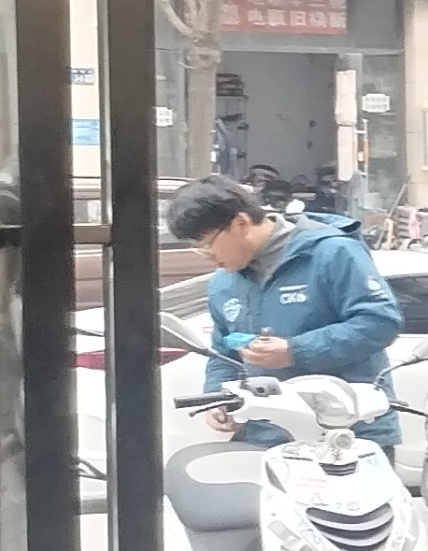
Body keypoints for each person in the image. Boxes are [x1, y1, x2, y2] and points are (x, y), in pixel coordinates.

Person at [170, 174, 402, 450]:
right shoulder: (223, 284)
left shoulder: (331, 252)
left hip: (347, 434)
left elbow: (380, 321)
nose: (206, 255)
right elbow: (224, 353)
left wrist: (296, 351)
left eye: (207, 244)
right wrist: (218, 398)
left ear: (241, 223)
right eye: (197, 248)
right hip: (267, 438)